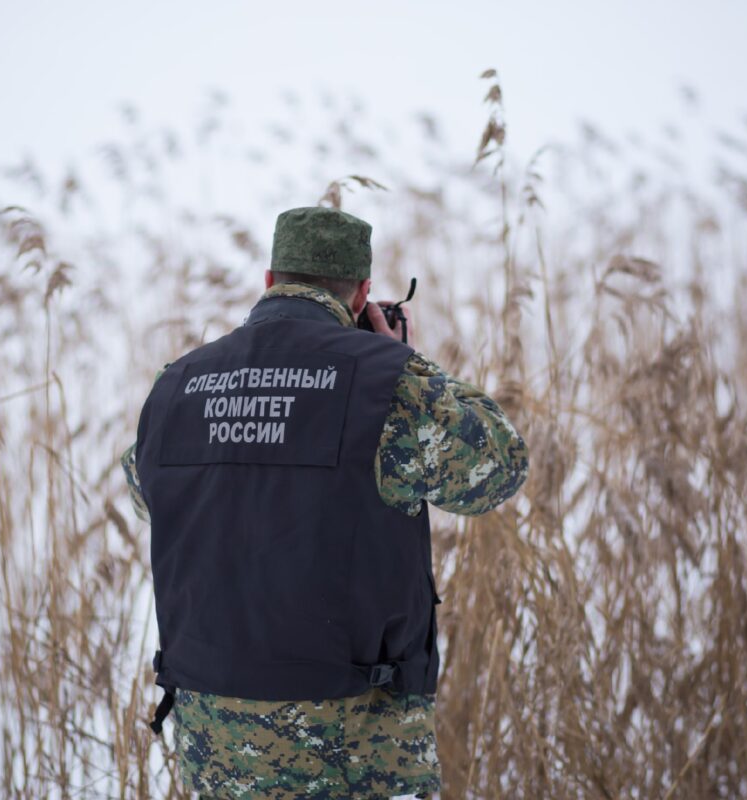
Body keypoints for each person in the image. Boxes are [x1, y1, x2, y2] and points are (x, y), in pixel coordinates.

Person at [120, 206, 528, 799]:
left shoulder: (176, 384)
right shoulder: (386, 383)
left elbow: (147, 493)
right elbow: (499, 466)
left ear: (269, 281)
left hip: (214, 739)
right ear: (363, 293)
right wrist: (399, 356)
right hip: (351, 738)